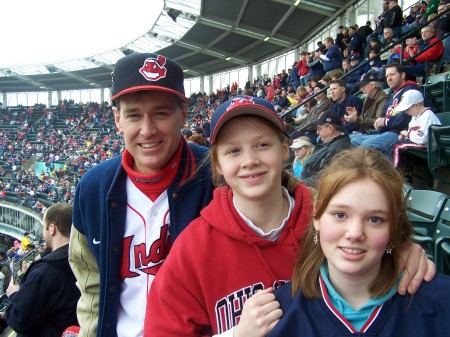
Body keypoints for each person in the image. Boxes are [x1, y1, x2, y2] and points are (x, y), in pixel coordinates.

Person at [68, 53, 215, 337]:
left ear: (183, 114)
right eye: (134, 115)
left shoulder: (216, 174)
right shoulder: (92, 188)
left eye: (161, 113)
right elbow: (90, 285)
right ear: (117, 119)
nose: (147, 130)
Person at [145, 95, 315, 336]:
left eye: (262, 145)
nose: (249, 161)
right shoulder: (194, 247)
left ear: (285, 149)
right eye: (234, 150)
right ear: (217, 164)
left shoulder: (327, 221)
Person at [268, 148, 449, 337]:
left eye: (375, 219)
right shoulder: (277, 314)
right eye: (340, 215)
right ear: (317, 217)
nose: (355, 234)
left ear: (394, 227)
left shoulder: (443, 301)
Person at [6, 202, 80, 337]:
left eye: (44, 226)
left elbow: (19, 319)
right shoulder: (85, 258)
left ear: (52, 228)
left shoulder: (46, 272)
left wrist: (14, 295)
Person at [351, 64, 420, 150]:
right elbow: (384, 116)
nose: (389, 78)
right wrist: (379, 124)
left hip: (402, 133)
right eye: (387, 76)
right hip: (387, 132)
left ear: (402, 75)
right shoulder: (392, 95)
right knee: (354, 141)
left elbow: (406, 117)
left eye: (392, 75)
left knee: (366, 145)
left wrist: (385, 122)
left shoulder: (411, 91)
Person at [382, 90, 441, 167]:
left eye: (407, 109)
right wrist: (404, 137)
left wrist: (408, 134)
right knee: (388, 144)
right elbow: (413, 134)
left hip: (428, 146)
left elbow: (422, 138)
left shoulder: (428, 115)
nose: (406, 112)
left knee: (396, 146)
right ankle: (384, 169)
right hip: (419, 143)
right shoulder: (414, 116)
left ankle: (392, 172)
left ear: (416, 105)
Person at [300, 110, 351, 187]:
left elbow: (324, 177)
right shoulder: (332, 142)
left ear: (330, 129)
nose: (317, 132)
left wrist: (300, 185)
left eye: (319, 128)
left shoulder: (338, 148)